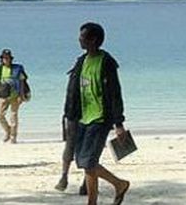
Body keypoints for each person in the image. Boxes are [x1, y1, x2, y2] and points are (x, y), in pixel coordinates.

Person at [63, 22, 130, 205]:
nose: (79, 39)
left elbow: (115, 93)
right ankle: (114, 188)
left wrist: (119, 124)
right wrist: (69, 116)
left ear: (93, 40)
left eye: (82, 36)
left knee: (88, 161)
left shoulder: (106, 62)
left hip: (100, 118)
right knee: (84, 162)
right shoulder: (81, 61)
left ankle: (118, 184)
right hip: (82, 117)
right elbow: (73, 91)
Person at [0, 48, 29, 144]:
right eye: (5, 58)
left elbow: (22, 82)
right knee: (0, 115)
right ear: (2, 59)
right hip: (3, 96)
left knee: (13, 116)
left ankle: (13, 137)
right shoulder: (0, 69)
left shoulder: (17, 69)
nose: (6, 60)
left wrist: (21, 95)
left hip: (15, 96)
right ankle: (8, 131)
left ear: (11, 59)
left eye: (8, 58)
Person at [55, 116, 88, 195]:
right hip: (84, 116)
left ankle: (64, 176)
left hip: (75, 114)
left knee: (70, 145)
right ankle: (85, 181)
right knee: (88, 148)